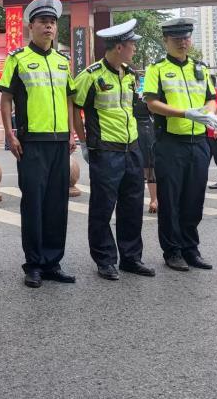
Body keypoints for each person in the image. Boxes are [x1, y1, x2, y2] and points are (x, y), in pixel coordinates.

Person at [0, 0, 77, 288]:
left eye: (53, 22)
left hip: (59, 143)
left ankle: (52, 262)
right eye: (43, 22)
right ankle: (33, 264)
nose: (49, 27)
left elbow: (69, 99)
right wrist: (10, 134)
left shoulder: (62, 62)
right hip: (31, 143)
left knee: (57, 205)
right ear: (31, 26)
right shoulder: (18, 59)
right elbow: (6, 98)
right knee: (33, 204)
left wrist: (71, 132)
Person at [72, 20, 155, 280]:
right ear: (119, 47)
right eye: (132, 45)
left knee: (132, 205)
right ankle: (105, 260)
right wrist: (84, 142)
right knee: (103, 207)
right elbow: (75, 108)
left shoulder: (129, 74)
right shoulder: (91, 75)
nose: (134, 49)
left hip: (132, 149)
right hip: (106, 150)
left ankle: (131, 258)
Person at [143, 17, 217, 272]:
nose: (183, 42)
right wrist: (185, 113)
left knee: (194, 198)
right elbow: (152, 103)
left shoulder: (200, 68)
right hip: (171, 143)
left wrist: (208, 114)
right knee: (170, 200)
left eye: (186, 37)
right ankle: (172, 251)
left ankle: (191, 249)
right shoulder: (156, 69)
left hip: (199, 142)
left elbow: (211, 98)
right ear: (166, 41)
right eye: (177, 38)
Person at [134, 95, 157, 214]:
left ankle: (154, 199)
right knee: (142, 168)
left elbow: (153, 109)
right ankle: (152, 200)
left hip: (145, 128)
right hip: (133, 128)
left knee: (149, 167)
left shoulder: (146, 90)